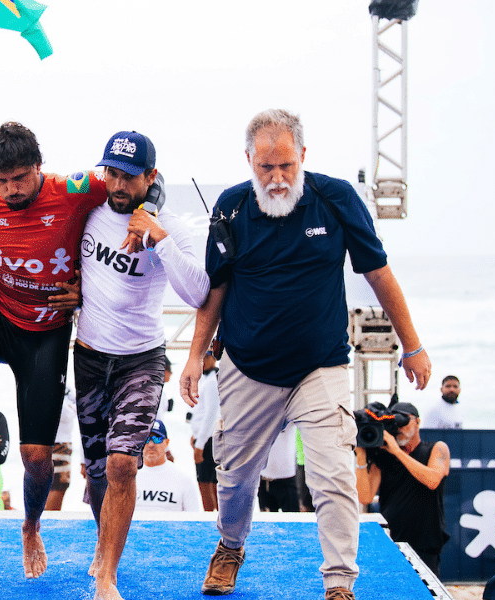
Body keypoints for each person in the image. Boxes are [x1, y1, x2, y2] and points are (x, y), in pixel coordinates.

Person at [179, 109, 432, 600]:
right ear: (249, 160)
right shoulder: (231, 207)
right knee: (232, 475)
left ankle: (339, 582)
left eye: (286, 166)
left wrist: (412, 345)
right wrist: (193, 357)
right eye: (265, 168)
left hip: (321, 366)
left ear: (303, 157)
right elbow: (216, 288)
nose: (276, 179)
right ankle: (231, 546)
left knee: (334, 472)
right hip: (248, 368)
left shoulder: (334, 199)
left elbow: (378, 273)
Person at [0, 122, 150, 580]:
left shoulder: (73, 189)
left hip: (46, 336)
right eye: (0, 181)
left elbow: (135, 184)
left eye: (19, 178)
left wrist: (83, 286)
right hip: (0, 322)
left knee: (37, 459)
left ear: (39, 168)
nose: (10, 190)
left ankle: (31, 524)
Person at [72, 130, 208, 599]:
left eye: (128, 176)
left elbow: (198, 292)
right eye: (111, 172)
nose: (117, 184)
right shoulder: (88, 207)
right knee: (95, 471)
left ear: (150, 177)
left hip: (142, 361)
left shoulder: (170, 225)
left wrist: (159, 238)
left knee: (122, 466)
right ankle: (102, 542)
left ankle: (108, 574)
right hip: (89, 354)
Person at [355, 402, 450, 575]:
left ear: (418, 422)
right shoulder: (384, 457)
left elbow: (432, 480)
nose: (399, 429)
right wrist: (361, 454)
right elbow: (365, 497)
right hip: (391, 542)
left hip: (425, 544)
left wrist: (398, 452)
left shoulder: (436, 448)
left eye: (403, 422)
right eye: (395, 424)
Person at [135, 420, 200, 513]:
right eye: (146, 439)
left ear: (167, 442)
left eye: (157, 438)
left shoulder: (183, 480)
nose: (151, 444)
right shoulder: (128, 477)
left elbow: (194, 518)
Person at [189, 349, 219, 511]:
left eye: (207, 356)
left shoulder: (213, 380)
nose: (204, 360)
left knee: (205, 481)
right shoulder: (204, 380)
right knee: (210, 480)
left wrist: (200, 444)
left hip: (208, 439)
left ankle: (211, 518)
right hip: (203, 436)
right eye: (202, 356)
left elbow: (211, 414)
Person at [45, 388, 76, 511]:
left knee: (61, 484)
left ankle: (47, 519)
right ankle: (46, 521)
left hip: (64, 443)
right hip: (54, 442)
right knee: (56, 485)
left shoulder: (68, 386)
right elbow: (66, 413)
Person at [258, 424, 300, 513]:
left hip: (287, 479)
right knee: (267, 523)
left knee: (292, 522)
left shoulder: (289, 415)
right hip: (265, 480)